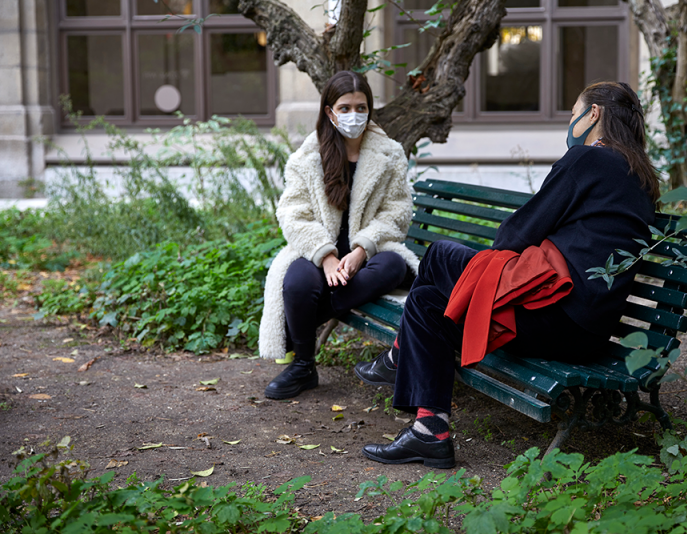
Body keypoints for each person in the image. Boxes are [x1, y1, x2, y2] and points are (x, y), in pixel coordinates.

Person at [354, 81, 659, 469]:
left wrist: (505, 255)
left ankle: (399, 355)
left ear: (593, 114)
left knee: (440, 254)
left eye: (572, 114)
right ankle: (430, 432)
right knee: (428, 302)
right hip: (586, 329)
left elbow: (516, 234)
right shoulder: (641, 176)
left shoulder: (589, 159)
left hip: (555, 311)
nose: (571, 124)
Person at [259, 71, 419, 400]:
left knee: (393, 266)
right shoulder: (308, 157)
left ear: (370, 110)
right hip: (318, 254)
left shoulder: (389, 154)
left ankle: (304, 323)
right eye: (344, 108)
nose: (353, 115)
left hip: (372, 255)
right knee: (297, 281)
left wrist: (361, 250)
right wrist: (326, 256)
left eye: (361, 107)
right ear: (330, 112)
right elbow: (292, 213)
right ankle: (304, 366)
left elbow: (397, 212)